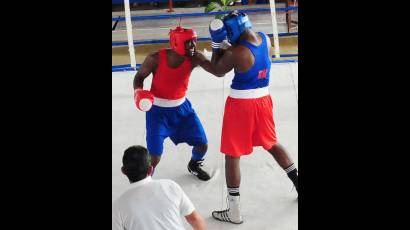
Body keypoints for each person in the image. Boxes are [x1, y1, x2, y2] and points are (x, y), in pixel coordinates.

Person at [208, 11, 299, 224]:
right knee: (272, 143)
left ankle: (234, 211)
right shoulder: (264, 39)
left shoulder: (236, 52)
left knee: (232, 154)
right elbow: (247, 57)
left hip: (241, 106)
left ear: (233, 31)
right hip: (264, 101)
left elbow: (217, 70)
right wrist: (229, 48)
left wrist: (215, 45)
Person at [133, 26, 224, 181]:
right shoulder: (155, 58)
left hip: (183, 110)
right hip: (157, 113)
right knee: (154, 157)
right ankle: (145, 184)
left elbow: (218, 71)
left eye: (195, 41)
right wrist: (138, 91)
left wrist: (217, 45)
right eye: (189, 43)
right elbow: (139, 76)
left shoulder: (195, 57)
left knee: (202, 145)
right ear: (177, 43)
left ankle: (194, 164)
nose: (194, 46)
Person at [112, 145, 207, 230]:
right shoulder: (170, 186)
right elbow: (195, 219)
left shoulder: (118, 207)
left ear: (123, 171)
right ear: (151, 169)